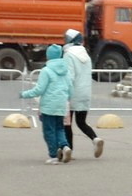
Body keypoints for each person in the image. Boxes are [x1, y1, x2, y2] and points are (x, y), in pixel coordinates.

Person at [21, 44, 74, 164]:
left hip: (48, 106)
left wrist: (24, 94)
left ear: (48, 56)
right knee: (60, 129)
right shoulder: (66, 70)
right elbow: (70, 89)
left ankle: (53, 155)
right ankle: (65, 146)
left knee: (49, 131)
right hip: (61, 105)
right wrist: (66, 99)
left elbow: (39, 89)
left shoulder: (46, 70)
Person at [60, 29, 101, 158]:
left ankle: (69, 150)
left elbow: (70, 76)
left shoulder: (68, 55)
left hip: (72, 93)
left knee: (67, 123)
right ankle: (95, 139)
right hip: (85, 92)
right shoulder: (86, 55)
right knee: (81, 122)